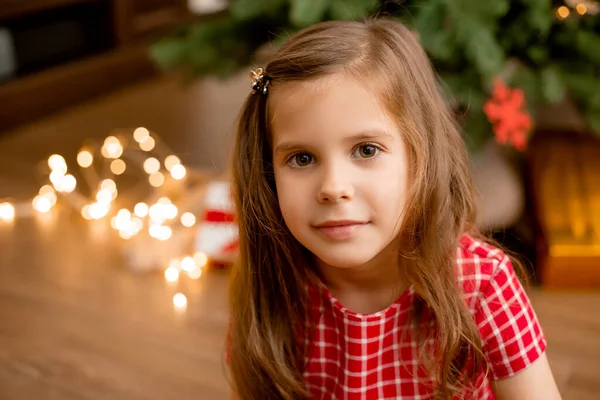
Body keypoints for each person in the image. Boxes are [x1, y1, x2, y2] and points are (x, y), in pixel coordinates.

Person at [227, 18, 561, 400]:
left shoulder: (482, 284)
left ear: (420, 158)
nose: (333, 188)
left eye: (366, 150)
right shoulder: (273, 280)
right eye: (302, 158)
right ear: (269, 174)